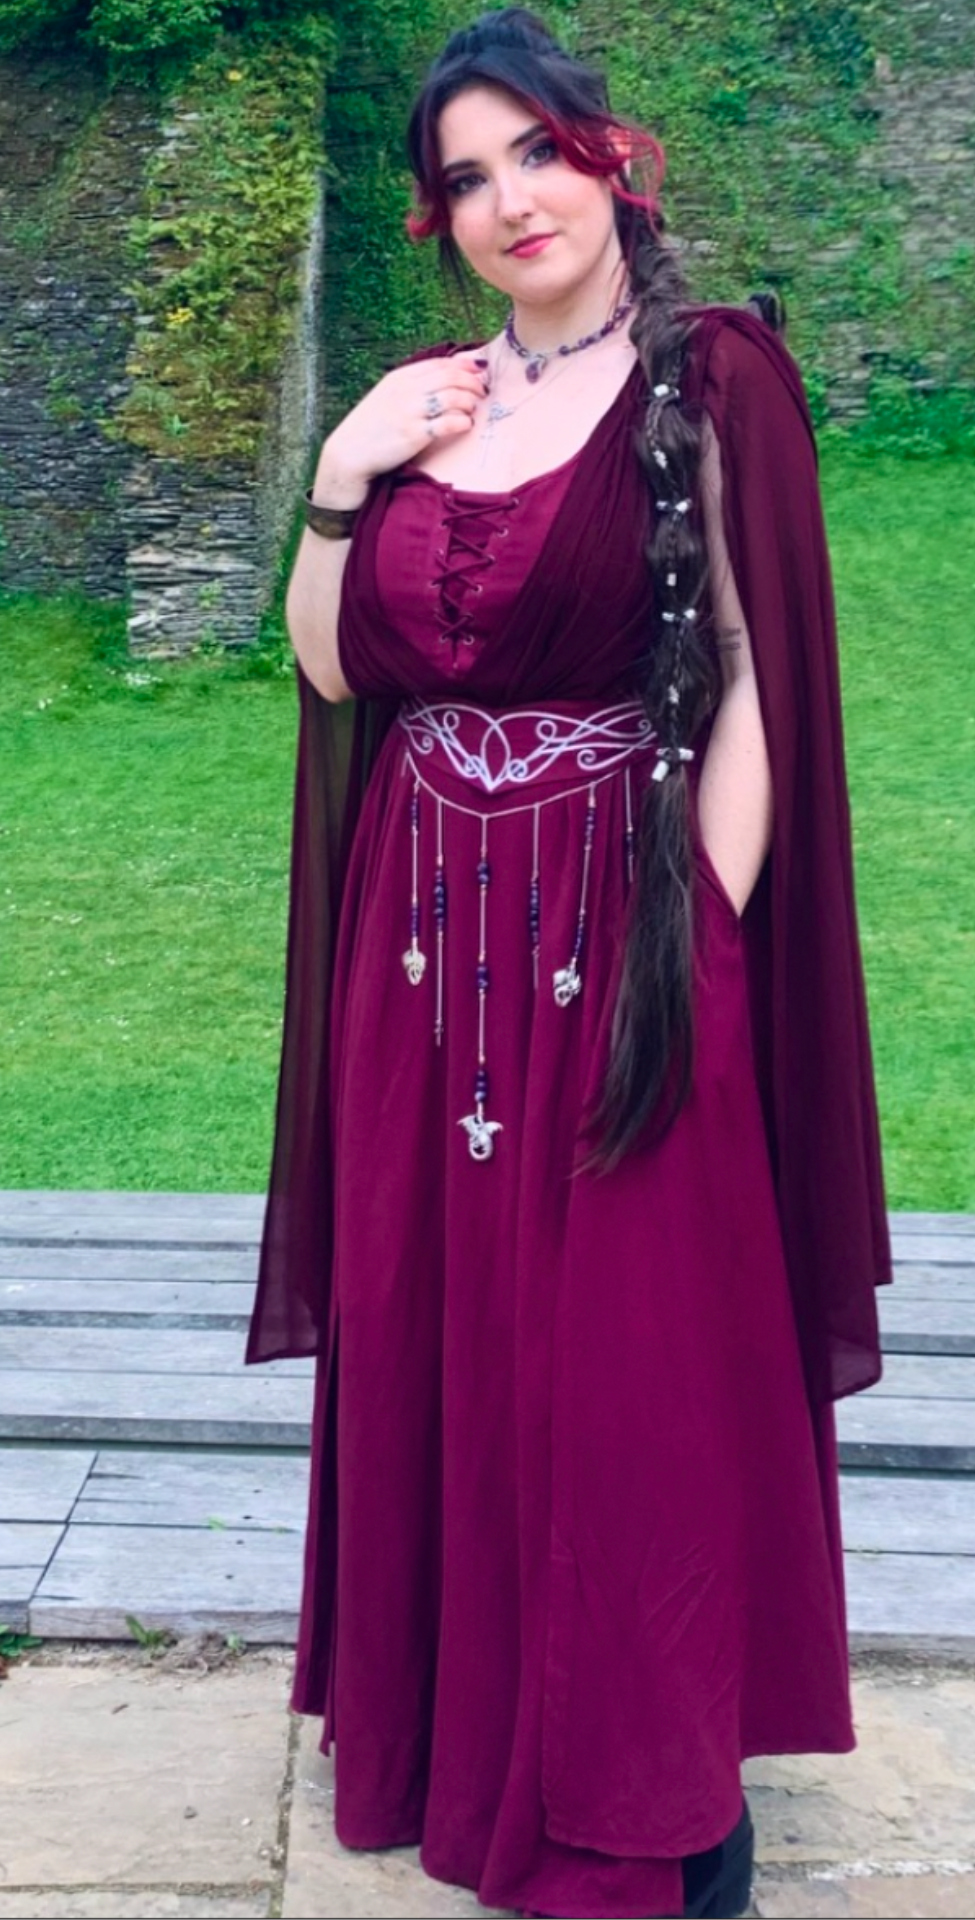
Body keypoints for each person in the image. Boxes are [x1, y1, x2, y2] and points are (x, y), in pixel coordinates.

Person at [245, 10, 892, 1917]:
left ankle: (652, 1779)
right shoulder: (427, 405)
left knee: (630, 1371)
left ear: (612, 156)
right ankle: (455, 1743)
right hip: (421, 952)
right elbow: (335, 664)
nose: (509, 200)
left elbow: (756, 680)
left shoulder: (715, 377)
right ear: (439, 218)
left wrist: (700, 932)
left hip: (623, 935)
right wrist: (344, 475)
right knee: (438, 1333)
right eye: (466, 176)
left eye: (535, 151)